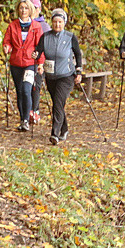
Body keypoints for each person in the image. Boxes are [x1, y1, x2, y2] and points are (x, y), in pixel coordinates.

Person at [38, 8, 83, 146]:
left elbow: (78, 54)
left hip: (66, 75)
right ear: (51, 22)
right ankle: (64, 129)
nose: (57, 25)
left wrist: (79, 70)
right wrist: (37, 60)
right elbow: (38, 51)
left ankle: (55, 133)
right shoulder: (45, 37)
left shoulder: (70, 37)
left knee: (58, 102)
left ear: (64, 23)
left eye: (60, 22)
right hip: (51, 75)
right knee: (58, 105)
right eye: (55, 22)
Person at [2, 0, 45, 132]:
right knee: (20, 91)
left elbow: (40, 46)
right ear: (18, 10)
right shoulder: (12, 25)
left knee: (27, 90)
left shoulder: (36, 27)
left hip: (30, 63)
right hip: (16, 63)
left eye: (26, 8)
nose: (24, 10)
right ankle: (22, 119)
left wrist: (40, 63)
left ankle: (27, 119)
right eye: (21, 8)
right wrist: (7, 47)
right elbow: (7, 41)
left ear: (30, 10)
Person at [29, 0, 47, 124]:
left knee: (36, 86)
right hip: (26, 60)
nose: (32, 10)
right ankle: (27, 111)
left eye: (35, 8)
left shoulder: (44, 25)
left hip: (40, 61)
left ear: (39, 9)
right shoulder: (24, 23)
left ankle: (35, 111)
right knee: (26, 86)